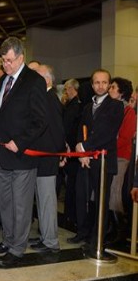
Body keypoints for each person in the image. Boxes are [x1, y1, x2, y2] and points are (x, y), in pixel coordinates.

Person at [0, 37, 47, 267]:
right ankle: (8, 240)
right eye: (3, 61)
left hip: (22, 156)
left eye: (9, 61)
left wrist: (19, 142)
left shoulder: (34, 81)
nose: (5, 65)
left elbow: (40, 121)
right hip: (3, 155)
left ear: (21, 58)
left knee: (21, 206)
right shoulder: (3, 80)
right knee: (6, 203)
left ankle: (17, 250)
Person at [68, 69, 123, 247]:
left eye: (104, 82)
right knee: (81, 196)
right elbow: (80, 129)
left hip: (103, 162)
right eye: (97, 82)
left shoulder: (115, 106)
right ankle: (82, 232)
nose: (100, 86)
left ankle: (97, 237)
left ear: (108, 84)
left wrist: (85, 147)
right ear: (92, 85)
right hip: (86, 160)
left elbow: (107, 133)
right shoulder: (87, 106)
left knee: (100, 201)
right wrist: (81, 152)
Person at [29, 64, 65, 253]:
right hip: (41, 159)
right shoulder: (45, 97)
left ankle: (51, 242)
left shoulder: (50, 99)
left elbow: (58, 131)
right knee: (42, 202)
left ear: (48, 80)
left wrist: (58, 153)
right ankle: (45, 237)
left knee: (48, 202)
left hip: (47, 160)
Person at [107, 77, 136, 243]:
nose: (110, 89)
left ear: (121, 92)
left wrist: (108, 146)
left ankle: (120, 229)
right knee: (108, 191)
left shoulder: (128, 112)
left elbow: (125, 137)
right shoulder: (112, 108)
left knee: (115, 191)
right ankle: (111, 226)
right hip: (110, 154)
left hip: (120, 156)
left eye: (113, 87)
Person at [62, 78, 81, 226]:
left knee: (72, 185)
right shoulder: (70, 105)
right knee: (69, 185)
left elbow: (68, 127)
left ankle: (70, 215)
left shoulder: (76, 106)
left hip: (72, 151)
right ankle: (69, 214)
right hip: (69, 149)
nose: (66, 91)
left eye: (67, 88)